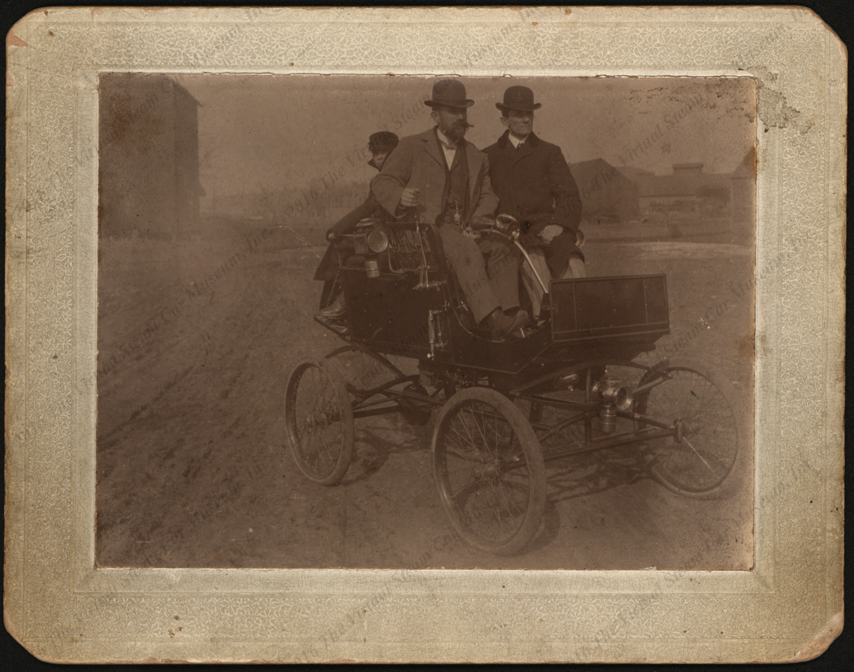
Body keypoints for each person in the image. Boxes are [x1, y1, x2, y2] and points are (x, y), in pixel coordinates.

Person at [371, 79, 528, 340]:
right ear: (435, 115)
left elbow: (488, 195)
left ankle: (510, 316)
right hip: (424, 234)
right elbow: (382, 181)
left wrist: (477, 222)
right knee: (463, 247)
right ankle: (492, 319)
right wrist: (401, 195)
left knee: (504, 247)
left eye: (463, 111)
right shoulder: (412, 146)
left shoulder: (477, 157)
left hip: (464, 231)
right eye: (453, 111)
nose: (460, 117)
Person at [483, 86, 585, 319]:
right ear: (504, 119)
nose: (526, 119)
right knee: (533, 257)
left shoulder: (549, 152)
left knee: (572, 257)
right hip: (509, 232)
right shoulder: (488, 156)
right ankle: (547, 323)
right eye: (518, 114)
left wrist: (559, 225)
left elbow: (569, 197)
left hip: (546, 226)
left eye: (529, 113)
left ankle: (582, 317)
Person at [314, 131, 399, 320]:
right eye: (375, 152)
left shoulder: (403, 178)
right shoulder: (377, 181)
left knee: (352, 255)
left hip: (395, 237)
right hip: (379, 234)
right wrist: (337, 230)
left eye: (384, 152)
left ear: (395, 154)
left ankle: (342, 305)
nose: (378, 157)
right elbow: (365, 208)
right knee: (339, 245)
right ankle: (332, 305)